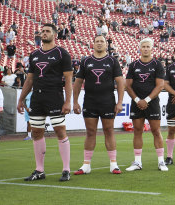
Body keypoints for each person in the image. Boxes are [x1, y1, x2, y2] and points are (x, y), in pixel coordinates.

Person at [16, 23, 74, 182]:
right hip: (37, 97)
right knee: (36, 132)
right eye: (42, 31)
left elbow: (68, 79)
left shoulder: (62, 53)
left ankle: (66, 169)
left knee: (60, 131)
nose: (44, 33)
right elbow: (29, 79)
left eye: (47, 31)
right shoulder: (34, 54)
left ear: (54, 34)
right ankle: (39, 170)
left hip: (54, 96)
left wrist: (68, 101)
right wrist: (21, 99)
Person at [73, 35, 124, 175]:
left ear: (106, 45)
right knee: (90, 132)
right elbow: (77, 82)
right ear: (93, 44)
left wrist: (120, 102)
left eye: (102, 41)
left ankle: (113, 164)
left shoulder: (112, 61)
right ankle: (86, 165)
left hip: (107, 101)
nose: (100, 43)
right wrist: (75, 101)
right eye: (97, 41)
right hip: (90, 101)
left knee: (109, 131)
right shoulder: (86, 61)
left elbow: (120, 82)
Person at [125, 38, 168, 172]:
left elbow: (160, 85)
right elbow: (128, 85)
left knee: (156, 131)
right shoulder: (133, 65)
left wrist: (147, 100)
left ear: (151, 48)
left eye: (147, 46)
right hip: (136, 103)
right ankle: (137, 162)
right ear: (140, 48)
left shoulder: (157, 65)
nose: (145, 48)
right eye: (143, 46)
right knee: (137, 131)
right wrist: (138, 100)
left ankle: (161, 162)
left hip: (152, 102)